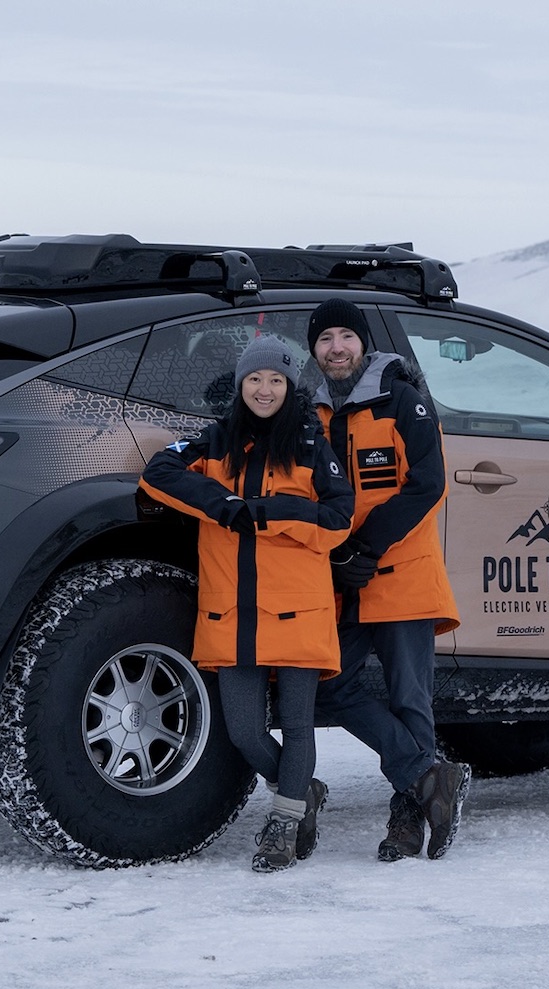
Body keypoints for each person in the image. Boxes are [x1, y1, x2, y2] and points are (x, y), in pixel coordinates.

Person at [139, 335, 353, 872]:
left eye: (276, 380)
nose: (264, 389)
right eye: (255, 379)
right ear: (240, 385)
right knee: (244, 732)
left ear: (288, 387)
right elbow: (158, 473)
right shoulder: (214, 440)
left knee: (298, 725)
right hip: (231, 611)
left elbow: (338, 517)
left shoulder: (310, 444)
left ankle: (283, 824)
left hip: (299, 608)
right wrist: (224, 505)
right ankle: (299, 788)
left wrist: (270, 512)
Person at [306, 297, 471, 862]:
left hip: (399, 573)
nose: (336, 348)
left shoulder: (404, 401)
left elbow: (427, 486)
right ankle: (427, 775)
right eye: (325, 339)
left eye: (345, 337)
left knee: (409, 699)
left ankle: (408, 822)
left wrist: (367, 545)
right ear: (314, 350)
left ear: (362, 345)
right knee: (331, 684)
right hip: (339, 581)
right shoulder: (309, 415)